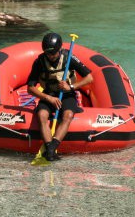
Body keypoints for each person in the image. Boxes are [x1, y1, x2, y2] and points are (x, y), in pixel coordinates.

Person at [26, 32, 93, 161]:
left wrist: (71, 87)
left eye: (54, 53)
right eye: (48, 53)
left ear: (60, 49)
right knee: (41, 115)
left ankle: (52, 148)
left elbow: (89, 78)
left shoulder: (69, 57)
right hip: (49, 94)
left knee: (67, 115)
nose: (51, 56)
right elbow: (30, 88)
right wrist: (48, 98)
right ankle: (49, 146)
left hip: (67, 94)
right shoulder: (40, 61)